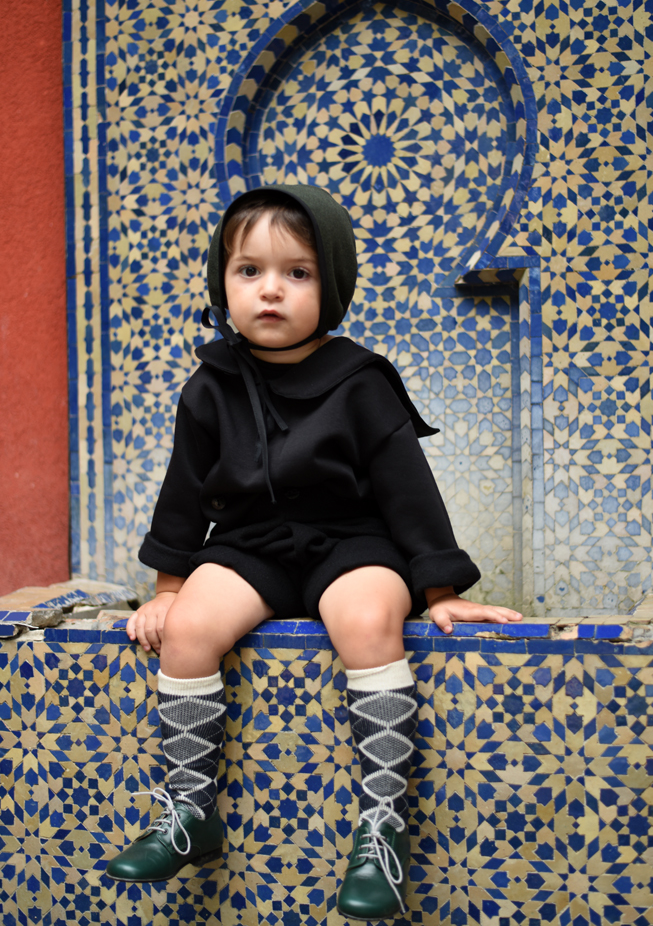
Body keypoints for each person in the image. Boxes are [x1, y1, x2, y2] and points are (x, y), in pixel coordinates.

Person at [105, 184, 522, 918]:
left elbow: (408, 490)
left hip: (353, 543)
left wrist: (440, 590)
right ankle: (189, 812)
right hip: (250, 547)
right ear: (222, 283)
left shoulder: (361, 380)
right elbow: (184, 491)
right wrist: (168, 590)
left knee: (365, 619)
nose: (270, 290)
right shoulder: (210, 384)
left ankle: (381, 827)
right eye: (249, 271)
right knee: (190, 627)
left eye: (296, 272)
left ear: (331, 285)